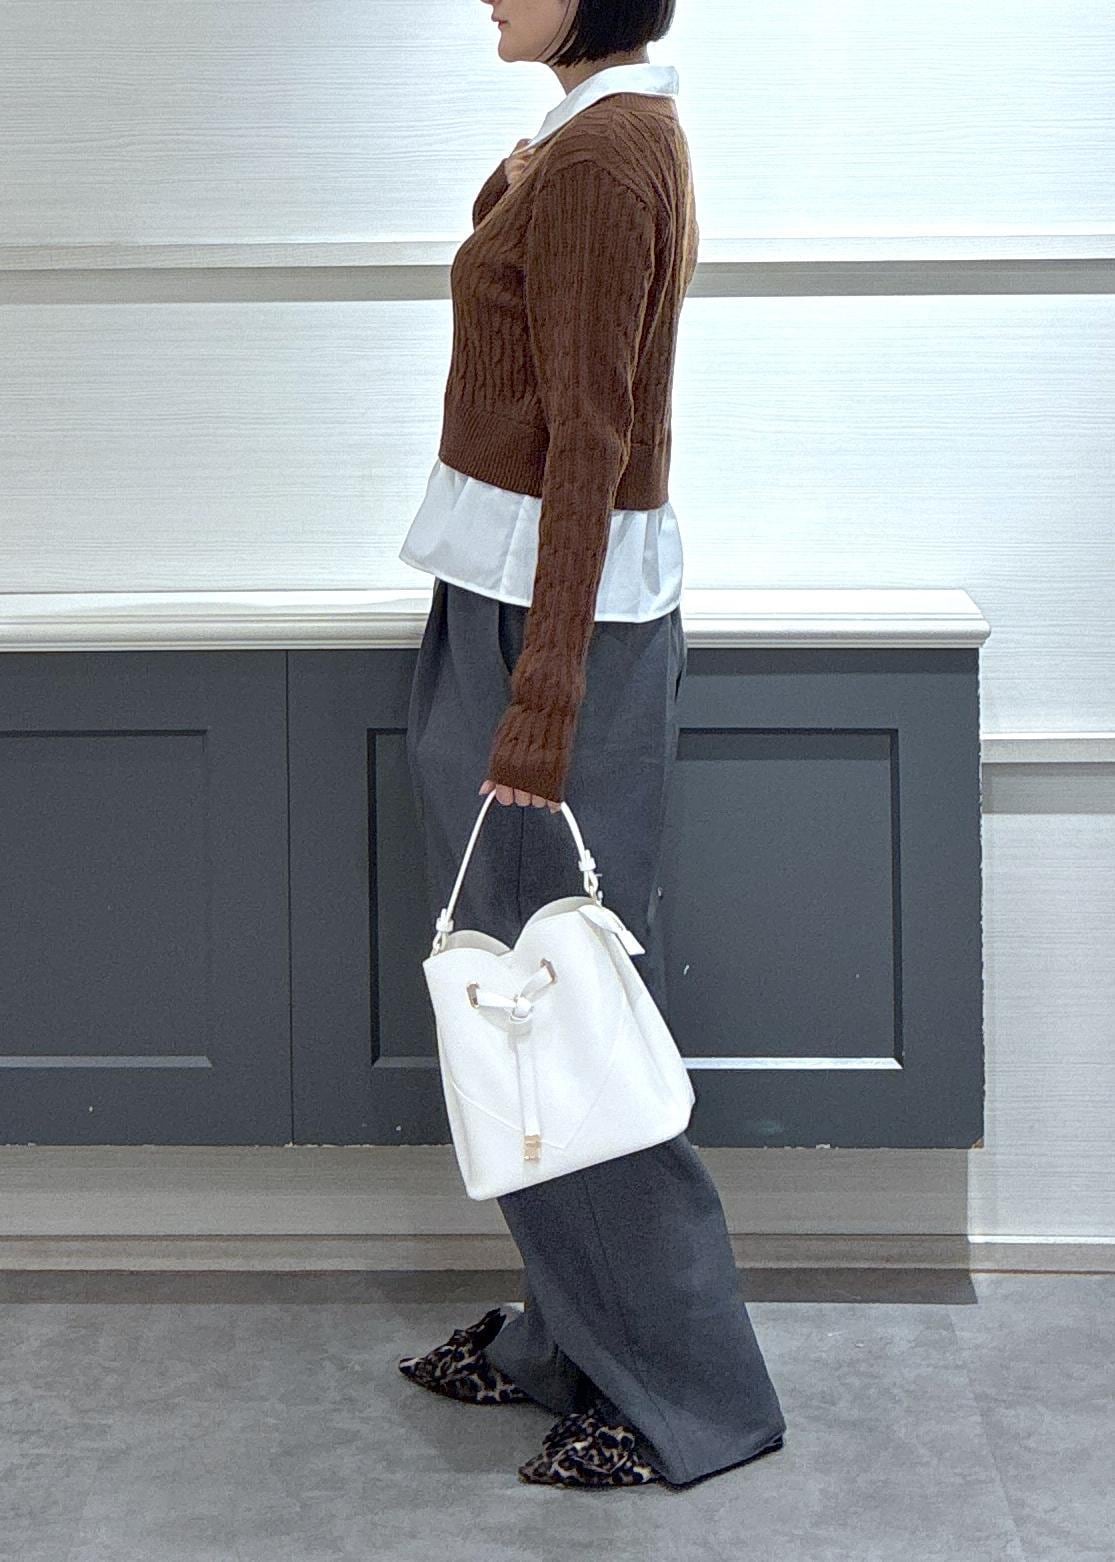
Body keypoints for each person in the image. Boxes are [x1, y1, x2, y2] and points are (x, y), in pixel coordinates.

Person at [398, 0, 788, 1489]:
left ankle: (690, 1392)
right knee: (523, 996)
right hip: (510, 607)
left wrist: (546, 691)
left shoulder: (609, 156)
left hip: (547, 629)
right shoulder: (585, 142)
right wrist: (514, 179)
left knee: (566, 1008)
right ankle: (573, 1341)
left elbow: (595, 443)